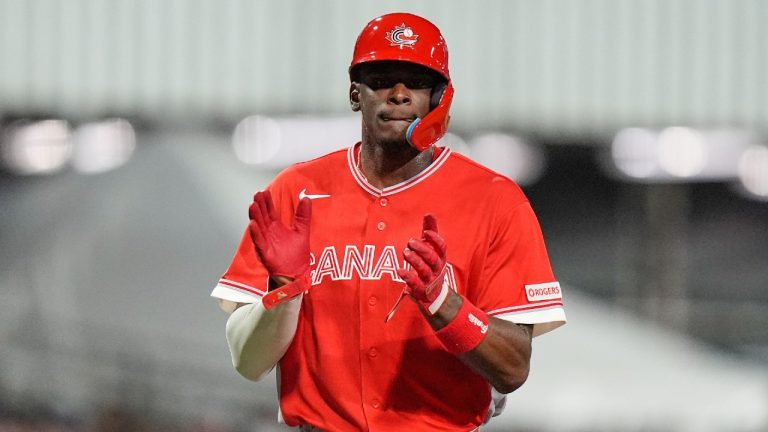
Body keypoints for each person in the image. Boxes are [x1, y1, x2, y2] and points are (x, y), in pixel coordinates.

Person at [211, 12, 566, 431]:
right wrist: (286, 292)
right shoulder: (296, 191)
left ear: (439, 96)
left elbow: (512, 370)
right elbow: (248, 363)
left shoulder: (495, 200)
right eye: (382, 77)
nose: (398, 94)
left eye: (415, 81)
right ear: (355, 92)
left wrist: (443, 303)